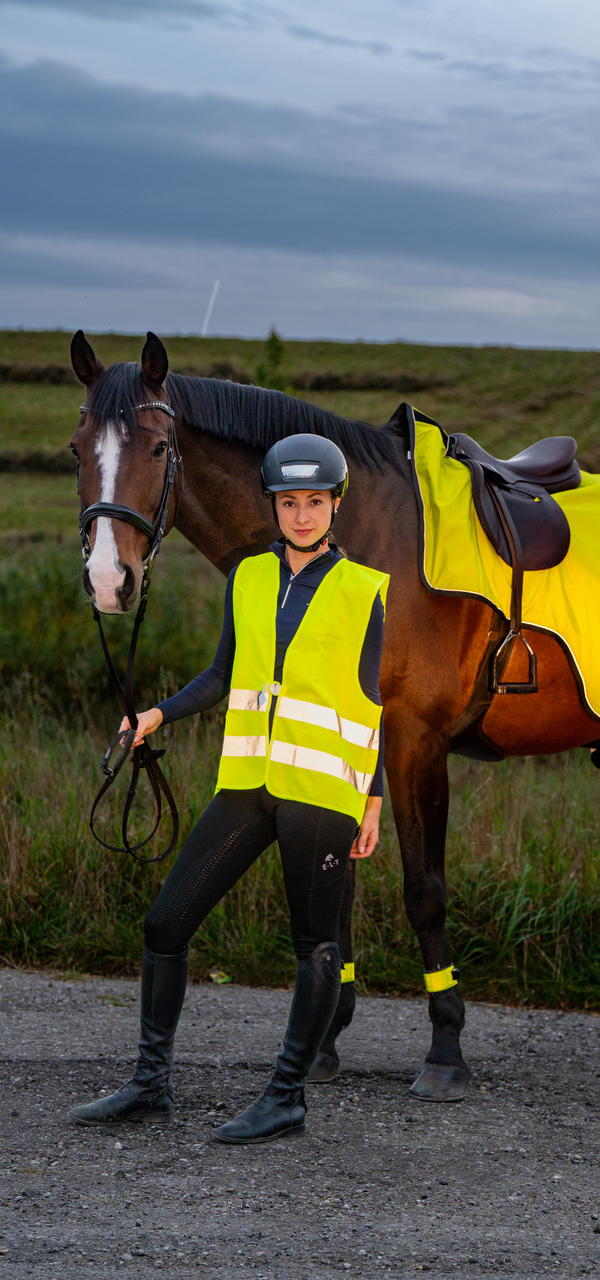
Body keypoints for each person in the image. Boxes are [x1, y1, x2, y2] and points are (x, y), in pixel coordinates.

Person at [69, 435, 388, 1145]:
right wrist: (155, 714)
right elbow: (221, 675)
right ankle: (150, 1084)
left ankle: (285, 1099)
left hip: (322, 795)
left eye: (314, 502)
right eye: (289, 502)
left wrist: (372, 800)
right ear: (272, 506)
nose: (301, 515)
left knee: (316, 946)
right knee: (165, 924)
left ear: (334, 506)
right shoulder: (247, 578)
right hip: (247, 784)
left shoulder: (366, 590)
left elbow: (374, 702)